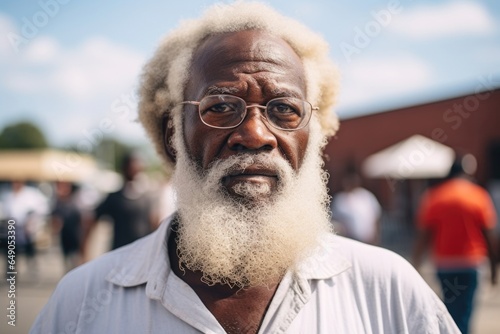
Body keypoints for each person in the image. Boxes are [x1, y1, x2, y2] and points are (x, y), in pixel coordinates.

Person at [31, 2, 460, 333]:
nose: (255, 134)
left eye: (284, 109)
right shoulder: (82, 302)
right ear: (171, 135)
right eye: (219, 107)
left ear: (314, 135)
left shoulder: (388, 291)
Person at [412, 158, 498, 334]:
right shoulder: (478, 195)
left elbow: (425, 235)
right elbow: (489, 235)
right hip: (471, 262)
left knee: (450, 309)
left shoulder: (435, 196)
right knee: (466, 310)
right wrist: (494, 268)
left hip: (445, 263)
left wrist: (417, 262)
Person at [83, 152, 156, 252]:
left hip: (143, 252)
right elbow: (92, 219)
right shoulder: (115, 198)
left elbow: (153, 223)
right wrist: (84, 249)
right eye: (132, 167)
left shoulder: (146, 197)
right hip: (121, 252)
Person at [331, 167, 382, 245]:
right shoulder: (340, 199)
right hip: (350, 239)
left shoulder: (366, 195)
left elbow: (376, 216)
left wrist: (376, 236)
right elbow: (336, 219)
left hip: (368, 239)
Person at [51, 181, 83, 273]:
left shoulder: (75, 201)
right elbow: (55, 220)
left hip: (75, 234)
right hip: (64, 235)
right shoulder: (58, 203)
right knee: (66, 259)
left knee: (74, 258)